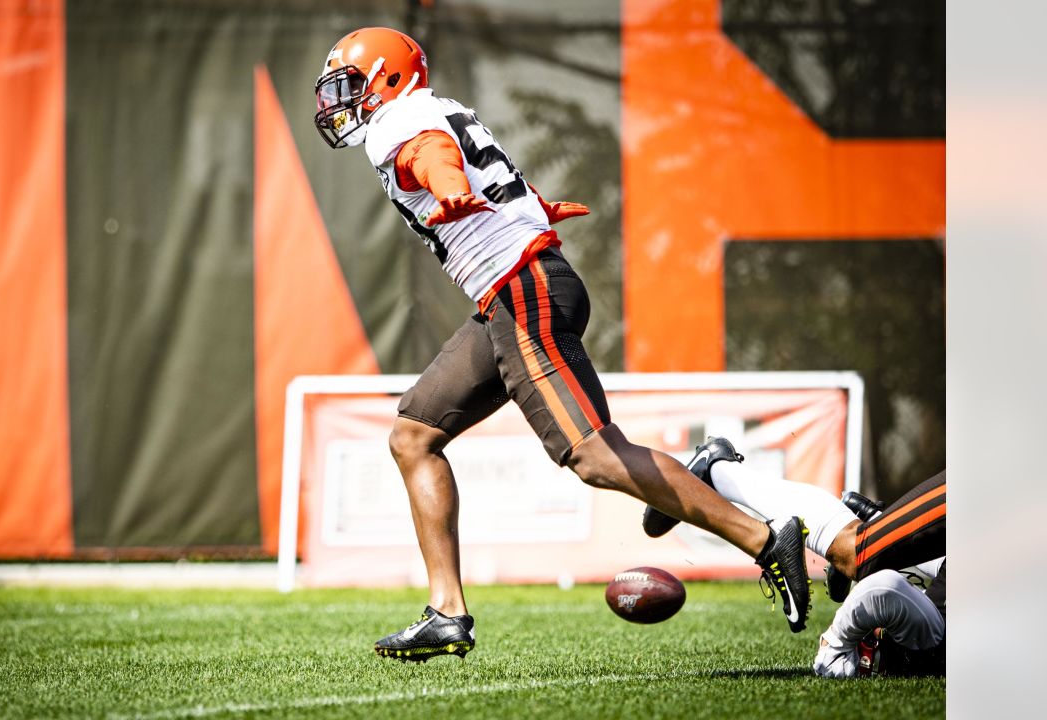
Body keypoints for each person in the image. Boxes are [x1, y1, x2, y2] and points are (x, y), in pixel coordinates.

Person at [312, 27, 813, 662]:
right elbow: (467, 163)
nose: (340, 103)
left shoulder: (399, 123)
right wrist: (532, 205)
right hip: (514, 290)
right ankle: (446, 611)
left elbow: (432, 153)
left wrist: (444, 185)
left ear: (388, 78)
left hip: (522, 289)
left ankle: (766, 539)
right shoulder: (433, 108)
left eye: (350, 86)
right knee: (414, 434)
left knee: (594, 456)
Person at [660, 436, 945, 678]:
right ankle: (721, 472)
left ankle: (871, 521)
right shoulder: (935, 643)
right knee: (859, 551)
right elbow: (883, 589)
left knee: (866, 552)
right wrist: (835, 643)